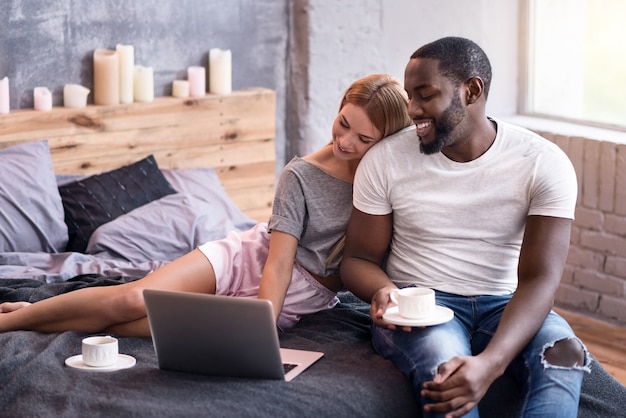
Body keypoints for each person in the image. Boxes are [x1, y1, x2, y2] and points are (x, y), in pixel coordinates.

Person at [0, 73, 412, 336]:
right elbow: (279, 263)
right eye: (344, 123)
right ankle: (14, 319)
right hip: (249, 261)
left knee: (136, 327)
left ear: (384, 142)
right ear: (339, 108)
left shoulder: (377, 185)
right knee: (130, 299)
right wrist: (262, 325)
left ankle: (39, 317)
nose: (345, 142)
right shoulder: (300, 174)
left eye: (364, 139)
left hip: (299, 300)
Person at [340, 37, 588, 418]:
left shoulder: (543, 163)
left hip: (504, 304)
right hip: (421, 303)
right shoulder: (385, 160)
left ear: (472, 90)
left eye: (425, 95)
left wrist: (492, 362)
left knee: (565, 353)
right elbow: (357, 258)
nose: (412, 110)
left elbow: (541, 278)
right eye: (409, 96)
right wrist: (385, 291)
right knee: (445, 369)